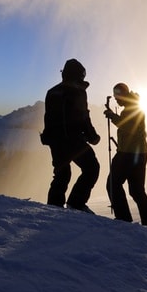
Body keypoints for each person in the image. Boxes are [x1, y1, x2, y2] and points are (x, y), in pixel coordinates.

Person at [40, 59, 101, 212]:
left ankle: (54, 208)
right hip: (73, 140)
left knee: (62, 174)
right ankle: (76, 203)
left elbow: (49, 117)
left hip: (55, 140)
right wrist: (93, 137)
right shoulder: (78, 91)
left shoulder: (52, 92)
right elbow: (84, 117)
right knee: (92, 168)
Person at [103, 82, 147, 227]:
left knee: (113, 184)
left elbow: (128, 126)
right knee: (137, 191)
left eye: (117, 96)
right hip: (139, 153)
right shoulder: (134, 106)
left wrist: (112, 116)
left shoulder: (133, 108)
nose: (116, 99)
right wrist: (114, 116)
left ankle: (124, 219)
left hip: (128, 154)